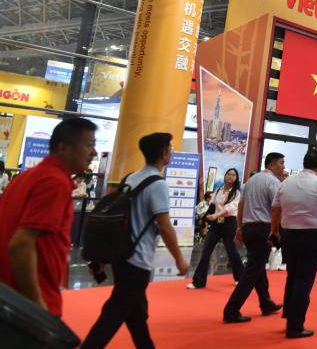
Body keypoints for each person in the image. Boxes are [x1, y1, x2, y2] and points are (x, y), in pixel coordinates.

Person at [81, 132, 189, 349]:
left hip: (122, 254)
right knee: (114, 313)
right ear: (163, 153)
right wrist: (179, 258)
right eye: (170, 148)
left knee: (136, 315)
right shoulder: (158, 184)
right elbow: (165, 226)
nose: (172, 151)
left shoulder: (130, 178)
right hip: (137, 259)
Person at [0, 118, 97, 316]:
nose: (94, 153)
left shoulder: (26, 177)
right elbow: (21, 243)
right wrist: (36, 304)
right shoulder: (55, 183)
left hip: (10, 296)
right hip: (32, 301)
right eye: (89, 145)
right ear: (63, 148)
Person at [271, 149, 317, 339]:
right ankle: (295, 326)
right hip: (313, 235)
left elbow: (275, 208)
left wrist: (274, 230)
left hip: (289, 234)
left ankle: (289, 315)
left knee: (292, 276)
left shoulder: (286, 183)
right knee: (304, 279)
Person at [222, 153, 286, 323]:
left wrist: (240, 227)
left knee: (257, 266)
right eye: (281, 163)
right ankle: (231, 309)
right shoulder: (273, 182)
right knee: (252, 270)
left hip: (249, 228)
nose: (283, 166)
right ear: (271, 165)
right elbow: (276, 208)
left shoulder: (250, 181)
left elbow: (241, 206)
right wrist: (276, 230)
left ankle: (266, 302)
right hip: (262, 228)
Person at [188, 168, 244, 288]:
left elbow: (229, 208)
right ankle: (198, 281)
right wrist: (205, 218)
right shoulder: (219, 190)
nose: (230, 176)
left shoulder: (237, 193)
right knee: (206, 250)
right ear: (225, 176)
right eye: (228, 174)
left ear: (236, 179)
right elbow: (212, 206)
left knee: (231, 251)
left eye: (233, 175)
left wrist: (216, 215)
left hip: (229, 223)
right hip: (216, 224)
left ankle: (241, 278)